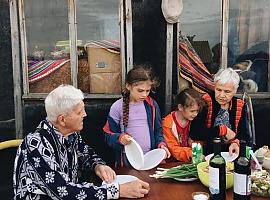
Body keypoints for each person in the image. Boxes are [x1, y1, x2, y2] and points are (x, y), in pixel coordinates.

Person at [13, 84, 150, 200]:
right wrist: (118, 190)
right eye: (79, 112)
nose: (85, 114)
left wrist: (98, 166)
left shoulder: (71, 135)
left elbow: (86, 154)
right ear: (62, 120)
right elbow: (63, 191)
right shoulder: (36, 145)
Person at [103, 65, 170, 167]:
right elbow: (108, 135)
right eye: (140, 90)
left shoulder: (152, 105)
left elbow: (158, 130)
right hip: (127, 159)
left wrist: (161, 144)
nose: (144, 95)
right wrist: (120, 138)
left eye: (147, 91)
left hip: (150, 158)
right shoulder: (117, 107)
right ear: (128, 86)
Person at [189, 68, 251, 156]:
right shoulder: (205, 101)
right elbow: (195, 133)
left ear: (235, 91)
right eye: (218, 90)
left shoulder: (240, 105)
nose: (222, 95)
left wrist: (236, 142)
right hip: (207, 153)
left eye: (227, 91)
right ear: (214, 87)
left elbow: (244, 134)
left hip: (230, 154)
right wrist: (222, 130)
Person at [162, 88, 204, 162]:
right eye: (192, 111)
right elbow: (173, 148)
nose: (195, 114)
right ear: (180, 107)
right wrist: (192, 153)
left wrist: (197, 152)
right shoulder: (168, 124)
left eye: (197, 111)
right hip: (173, 162)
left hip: (193, 160)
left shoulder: (195, 120)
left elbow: (199, 139)